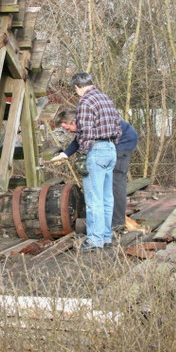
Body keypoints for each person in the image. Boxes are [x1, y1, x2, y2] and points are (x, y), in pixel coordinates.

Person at [56, 109, 138, 234]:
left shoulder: (88, 122)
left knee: (116, 183)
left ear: (74, 121)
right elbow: (78, 140)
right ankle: (107, 220)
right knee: (106, 183)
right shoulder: (84, 123)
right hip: (112, 144)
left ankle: (117, 224)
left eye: (67, 128)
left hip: (123, 143)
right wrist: (65, 154)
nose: (68, 132)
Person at [69, 72, 124, 251]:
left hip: (96, 150)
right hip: (110, 149)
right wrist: (112, 144)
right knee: (107, 197)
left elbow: (86, 132)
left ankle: (94, 240)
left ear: (78, 87)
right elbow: (118, 126)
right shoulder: (106, 99)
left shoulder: (85, 102)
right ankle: (106, 237)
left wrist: (83, 153)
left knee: (94, 200)